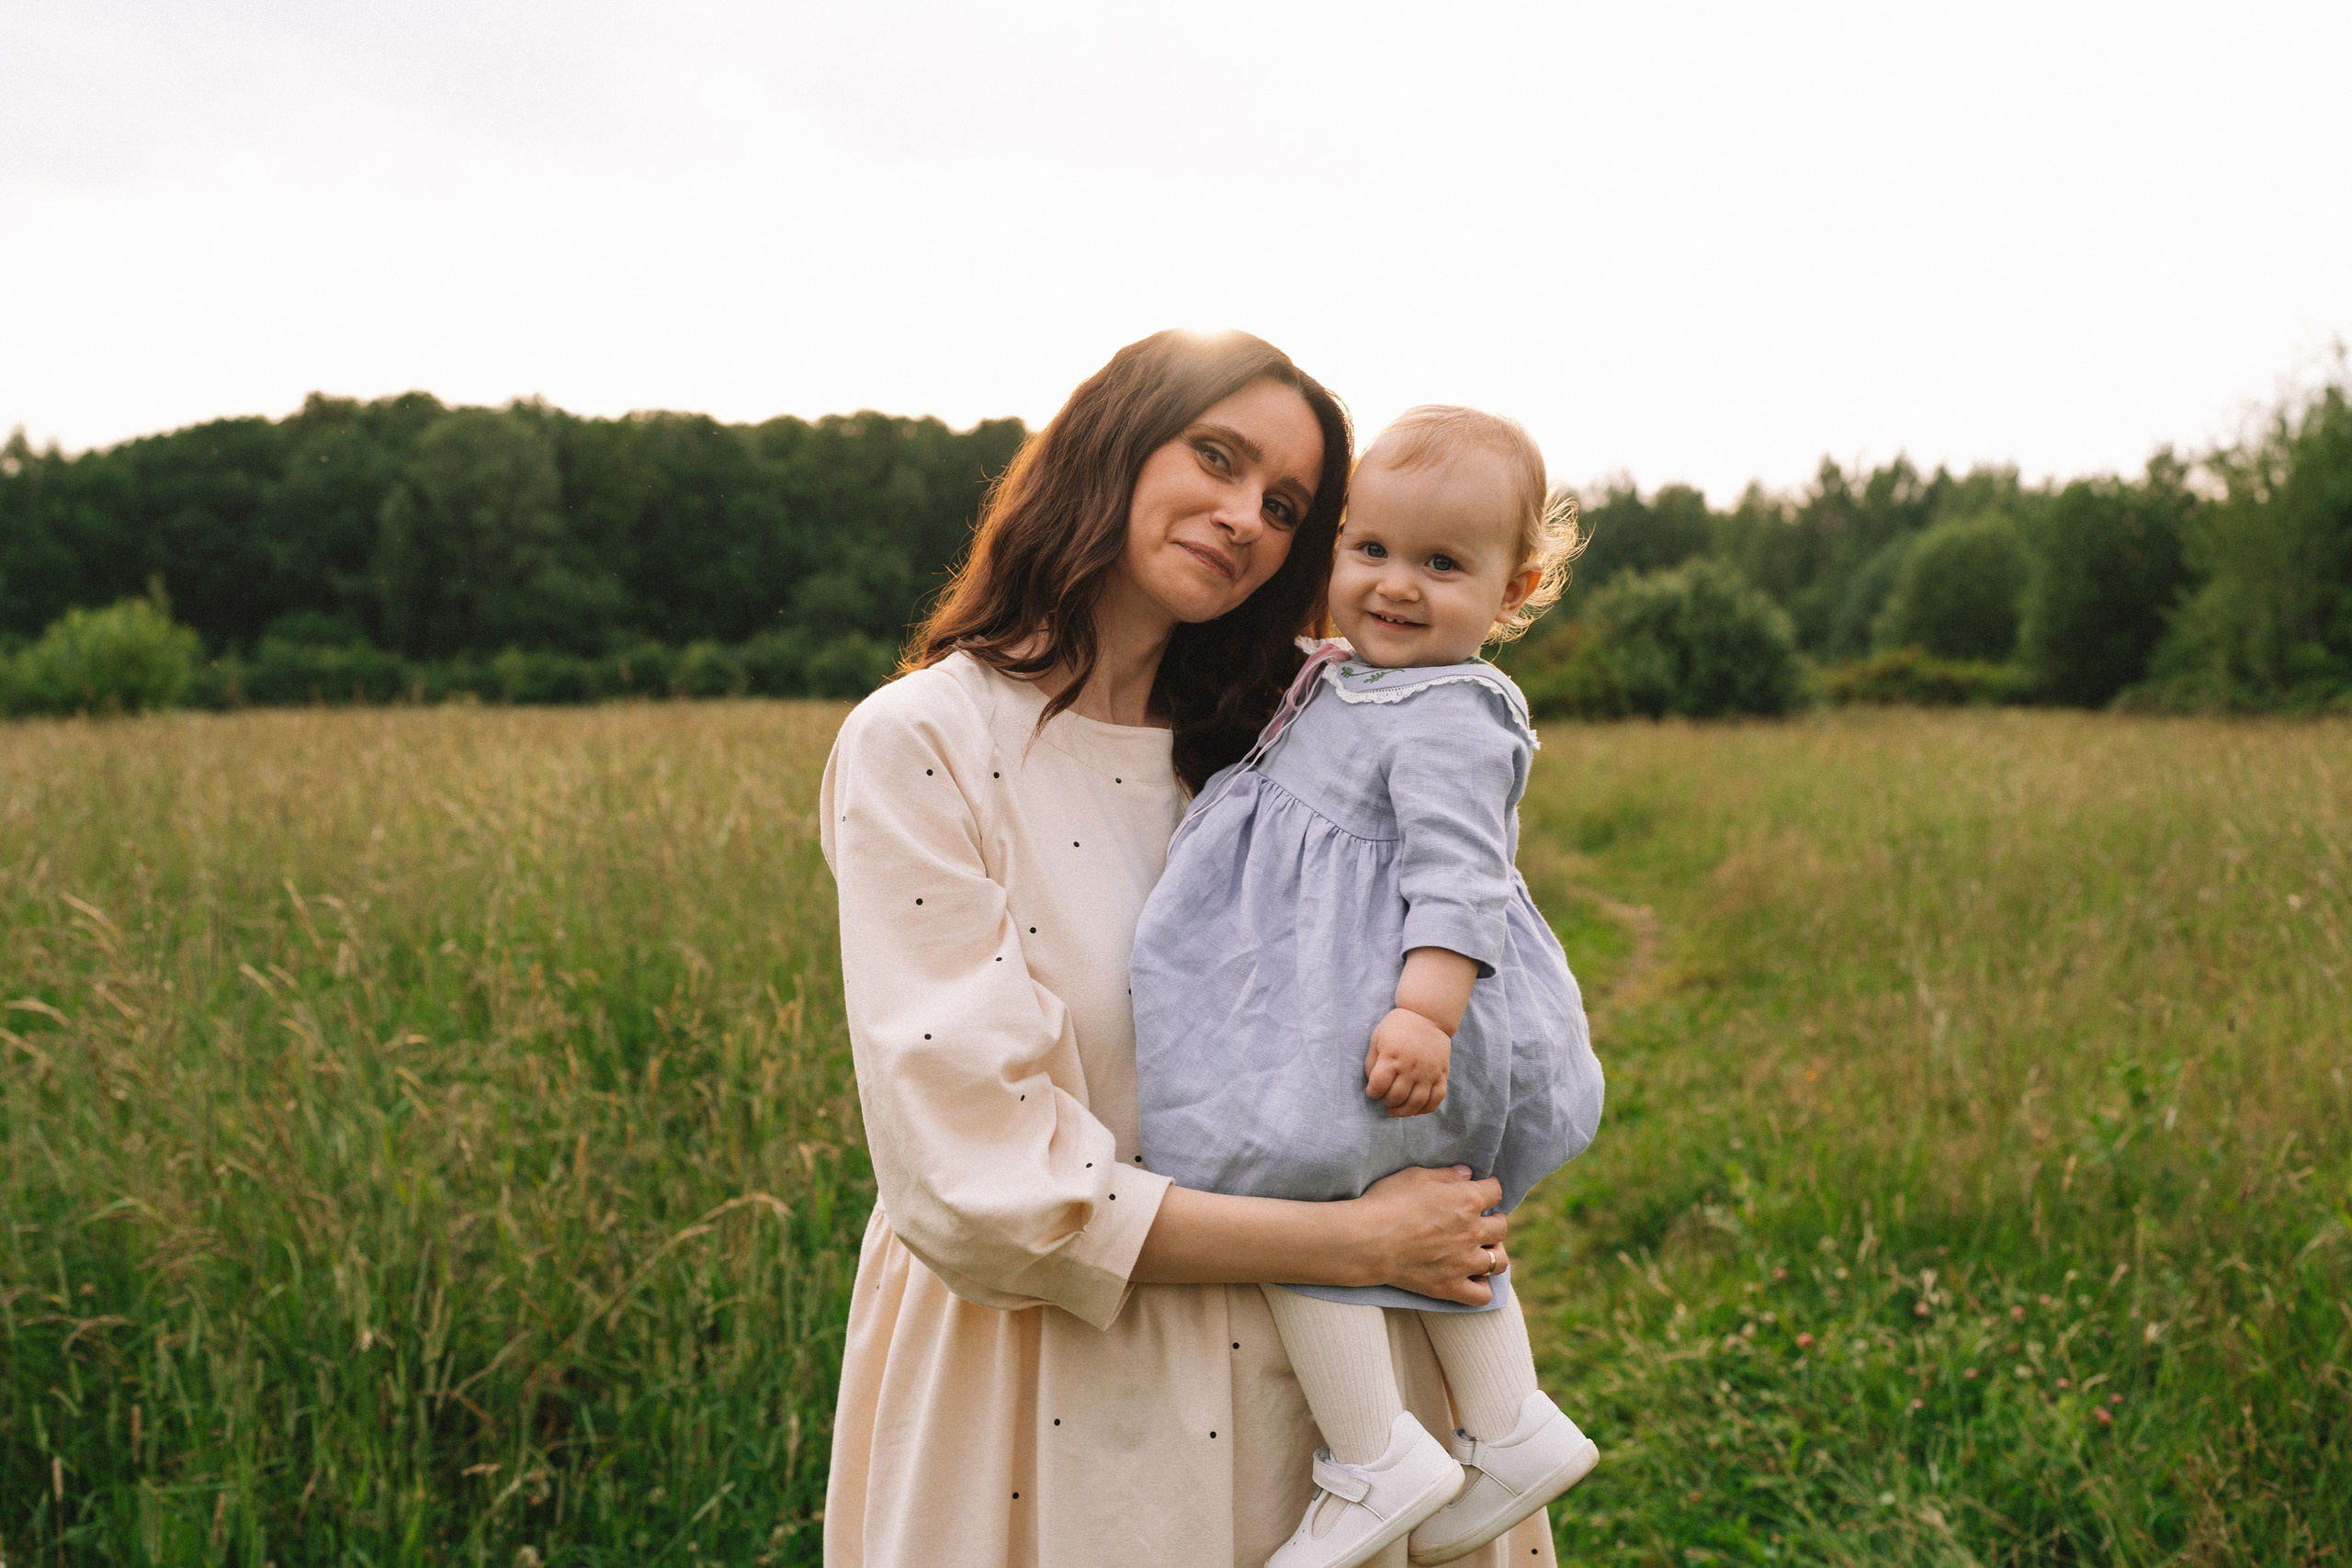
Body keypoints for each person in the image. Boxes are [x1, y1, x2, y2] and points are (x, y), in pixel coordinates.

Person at [820, 333, 1555, 1568]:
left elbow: (1466, 982)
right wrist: (1355, 1242)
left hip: (1336, 1399)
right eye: (1214, 456)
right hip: (1053, 1391)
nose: (1243, 517)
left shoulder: (1289, 738)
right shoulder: (926, 743)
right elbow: (980, 1183)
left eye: (1286, 507)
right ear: (1112, 440)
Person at [1132, 406, 1608, 1568]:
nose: (1397, 586)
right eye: (1374, 551)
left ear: (1513, 591)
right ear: (1336, 551)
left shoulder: (1456, 713)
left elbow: (1463, 882)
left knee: (1283, 1192)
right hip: (1349, 1005)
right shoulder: (1342, 678)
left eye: (1443, 565)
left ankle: (1373, 1456)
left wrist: (1422, 1012)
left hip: (1394, 1015)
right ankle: (1507, 1425)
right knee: (1395, 1200)